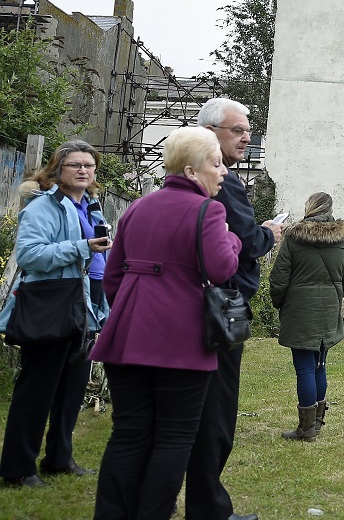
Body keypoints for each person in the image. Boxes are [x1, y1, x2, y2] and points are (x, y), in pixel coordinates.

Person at [90, 127, 242, 519]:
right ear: (192, 171)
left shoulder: (138, 207)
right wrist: (233, 240)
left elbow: (112, 279)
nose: (222, 170)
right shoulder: (210, 211)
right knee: (175, 436)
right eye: (215, 163)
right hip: (182, 342)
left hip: (126, 336)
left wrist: (130, 314)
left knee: (128, 433)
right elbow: (222, 268)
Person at [187, 98, 282, 520]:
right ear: (210, 133)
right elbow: (240, 244)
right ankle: (208, 509)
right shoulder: (221, 186)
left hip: (205, 304)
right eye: (237, 130)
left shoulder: (185, 185)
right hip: (220, 306)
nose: (246, 137)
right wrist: (268, 233)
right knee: (215, 413)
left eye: (248, 130)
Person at [0, 140, 111, 488]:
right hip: (52, 302)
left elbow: (100, 258)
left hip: (86, 303)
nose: (82, 170)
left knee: (73, 387)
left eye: (89, 165)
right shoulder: (43, 206)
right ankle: (17, 468)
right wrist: (81, 247)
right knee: (38, 387)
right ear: (57, 169)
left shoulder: (92, 206)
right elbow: (30, 255)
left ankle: (59, 458)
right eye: (75, 165)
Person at [269, 192, 344, 442]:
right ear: (330, 209)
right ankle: (316, 423)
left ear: (309, 207)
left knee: (305, 368)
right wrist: (334, 294)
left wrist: (281, 304)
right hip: (329, 309)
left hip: (299, 310)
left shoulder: (294, 238)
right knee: (320, 364)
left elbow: (278, 279)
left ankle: (306, 429)